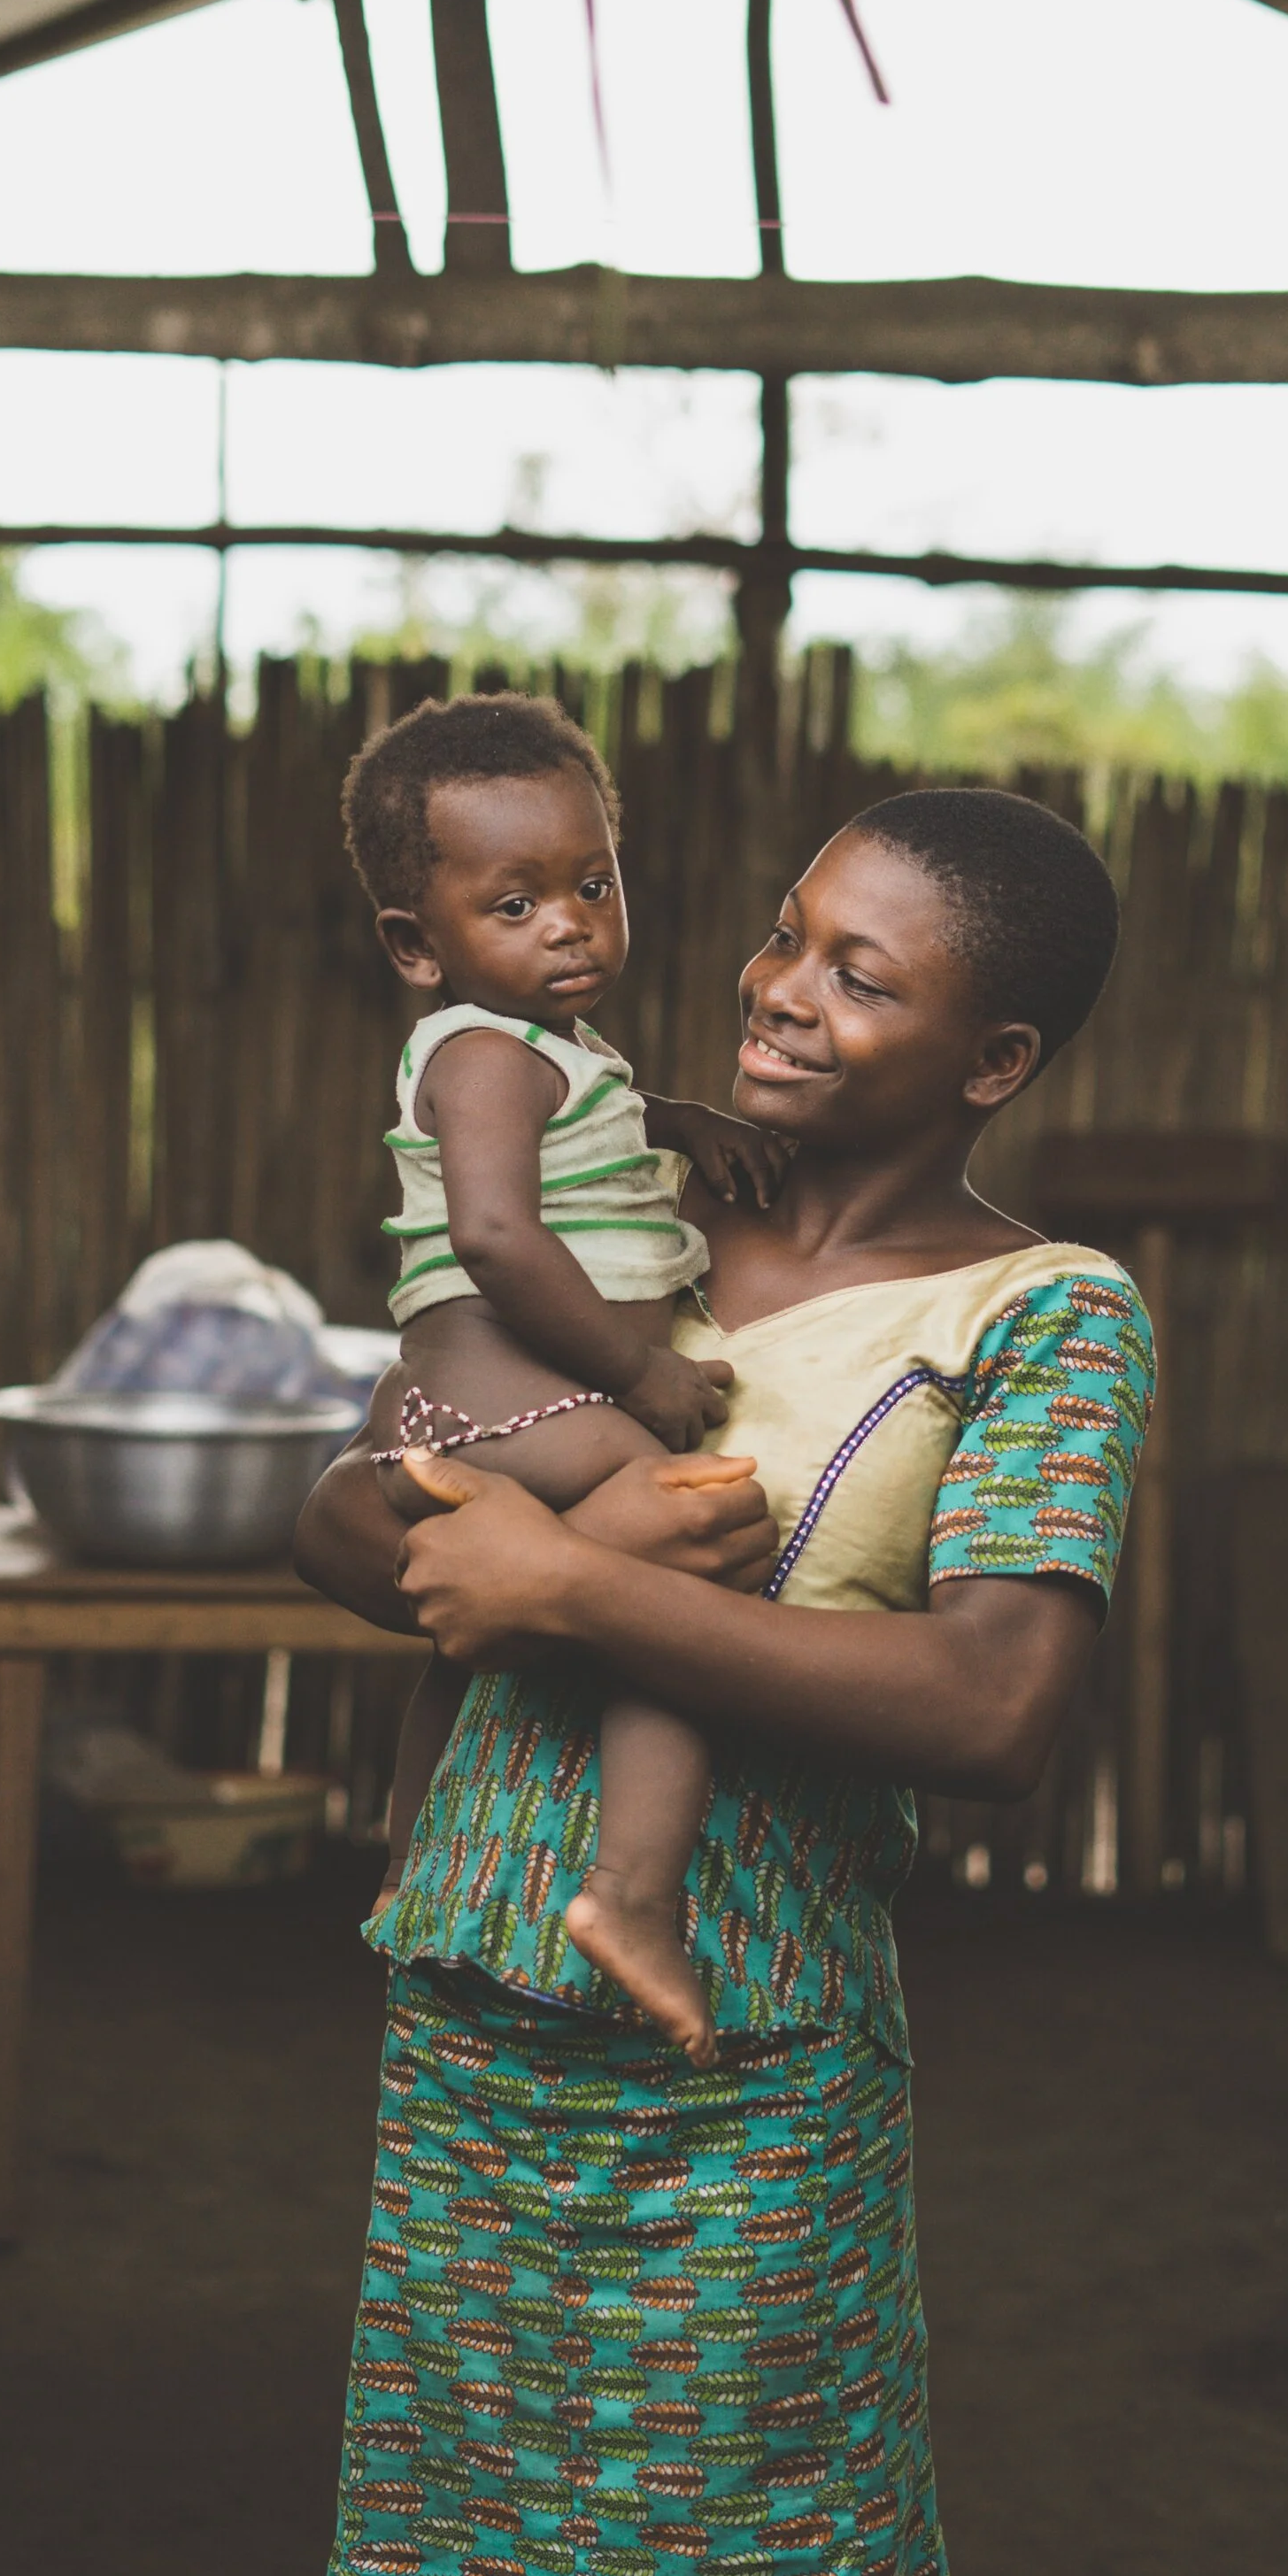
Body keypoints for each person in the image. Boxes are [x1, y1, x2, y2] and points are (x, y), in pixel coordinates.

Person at [276, 783, 1156, 2576]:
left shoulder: (1044, 1313)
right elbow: (378, 1465)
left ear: (993, 1057)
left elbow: (992, 1706)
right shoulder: (637, 1228)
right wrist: (371, 1513)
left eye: (864, 971)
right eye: (784, 935)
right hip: (473, 1994)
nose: (781, 986)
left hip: (737, 2048)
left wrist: (558, 1576)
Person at [355, 690, 789, 2063]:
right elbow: (494, 1231)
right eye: (517, 903)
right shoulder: (484, 1053)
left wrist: (680, 1119)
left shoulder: (548, 1054)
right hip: (526, 1409)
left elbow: (584, 1120)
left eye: (592, 884)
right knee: (681, 1571)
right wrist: (636, 1377)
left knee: (473, 1644)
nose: (571, 923)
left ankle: (410, 1860)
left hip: (467, 1419)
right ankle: (634, 1896)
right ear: (419, 946)